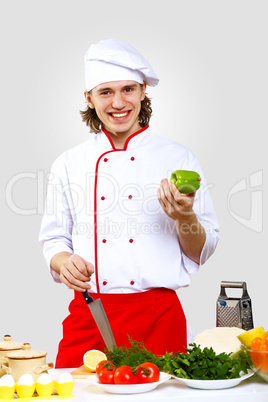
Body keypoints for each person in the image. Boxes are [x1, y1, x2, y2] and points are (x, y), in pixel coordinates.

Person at [39, 39, 219, 368]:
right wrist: (63, 262)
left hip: (159, 318)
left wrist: (185, 217)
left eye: (128, 90)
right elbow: (53, 241)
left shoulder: (178, 158)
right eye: (105, 92)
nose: (118, 102)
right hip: (90, 313)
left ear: (142, 92)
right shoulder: (68, 163)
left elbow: (200, 252)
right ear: (89, 99)